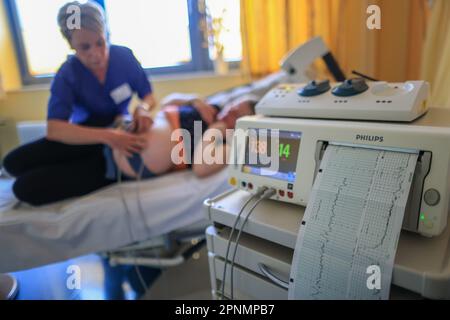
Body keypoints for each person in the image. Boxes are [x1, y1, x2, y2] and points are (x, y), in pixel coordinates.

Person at [3, 1, 155, 206]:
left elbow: (148, 95)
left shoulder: (123, 57)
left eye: (100, 42)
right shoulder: (68, 74)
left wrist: (143, 109)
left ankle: (97, 171)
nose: (95, 53)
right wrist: (109, 137)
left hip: (117, 136)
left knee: (24, 189)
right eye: (85, 47)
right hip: (85, 136)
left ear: (106, 34)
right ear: (71, 45)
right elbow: (55, 129)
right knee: (12, 162)